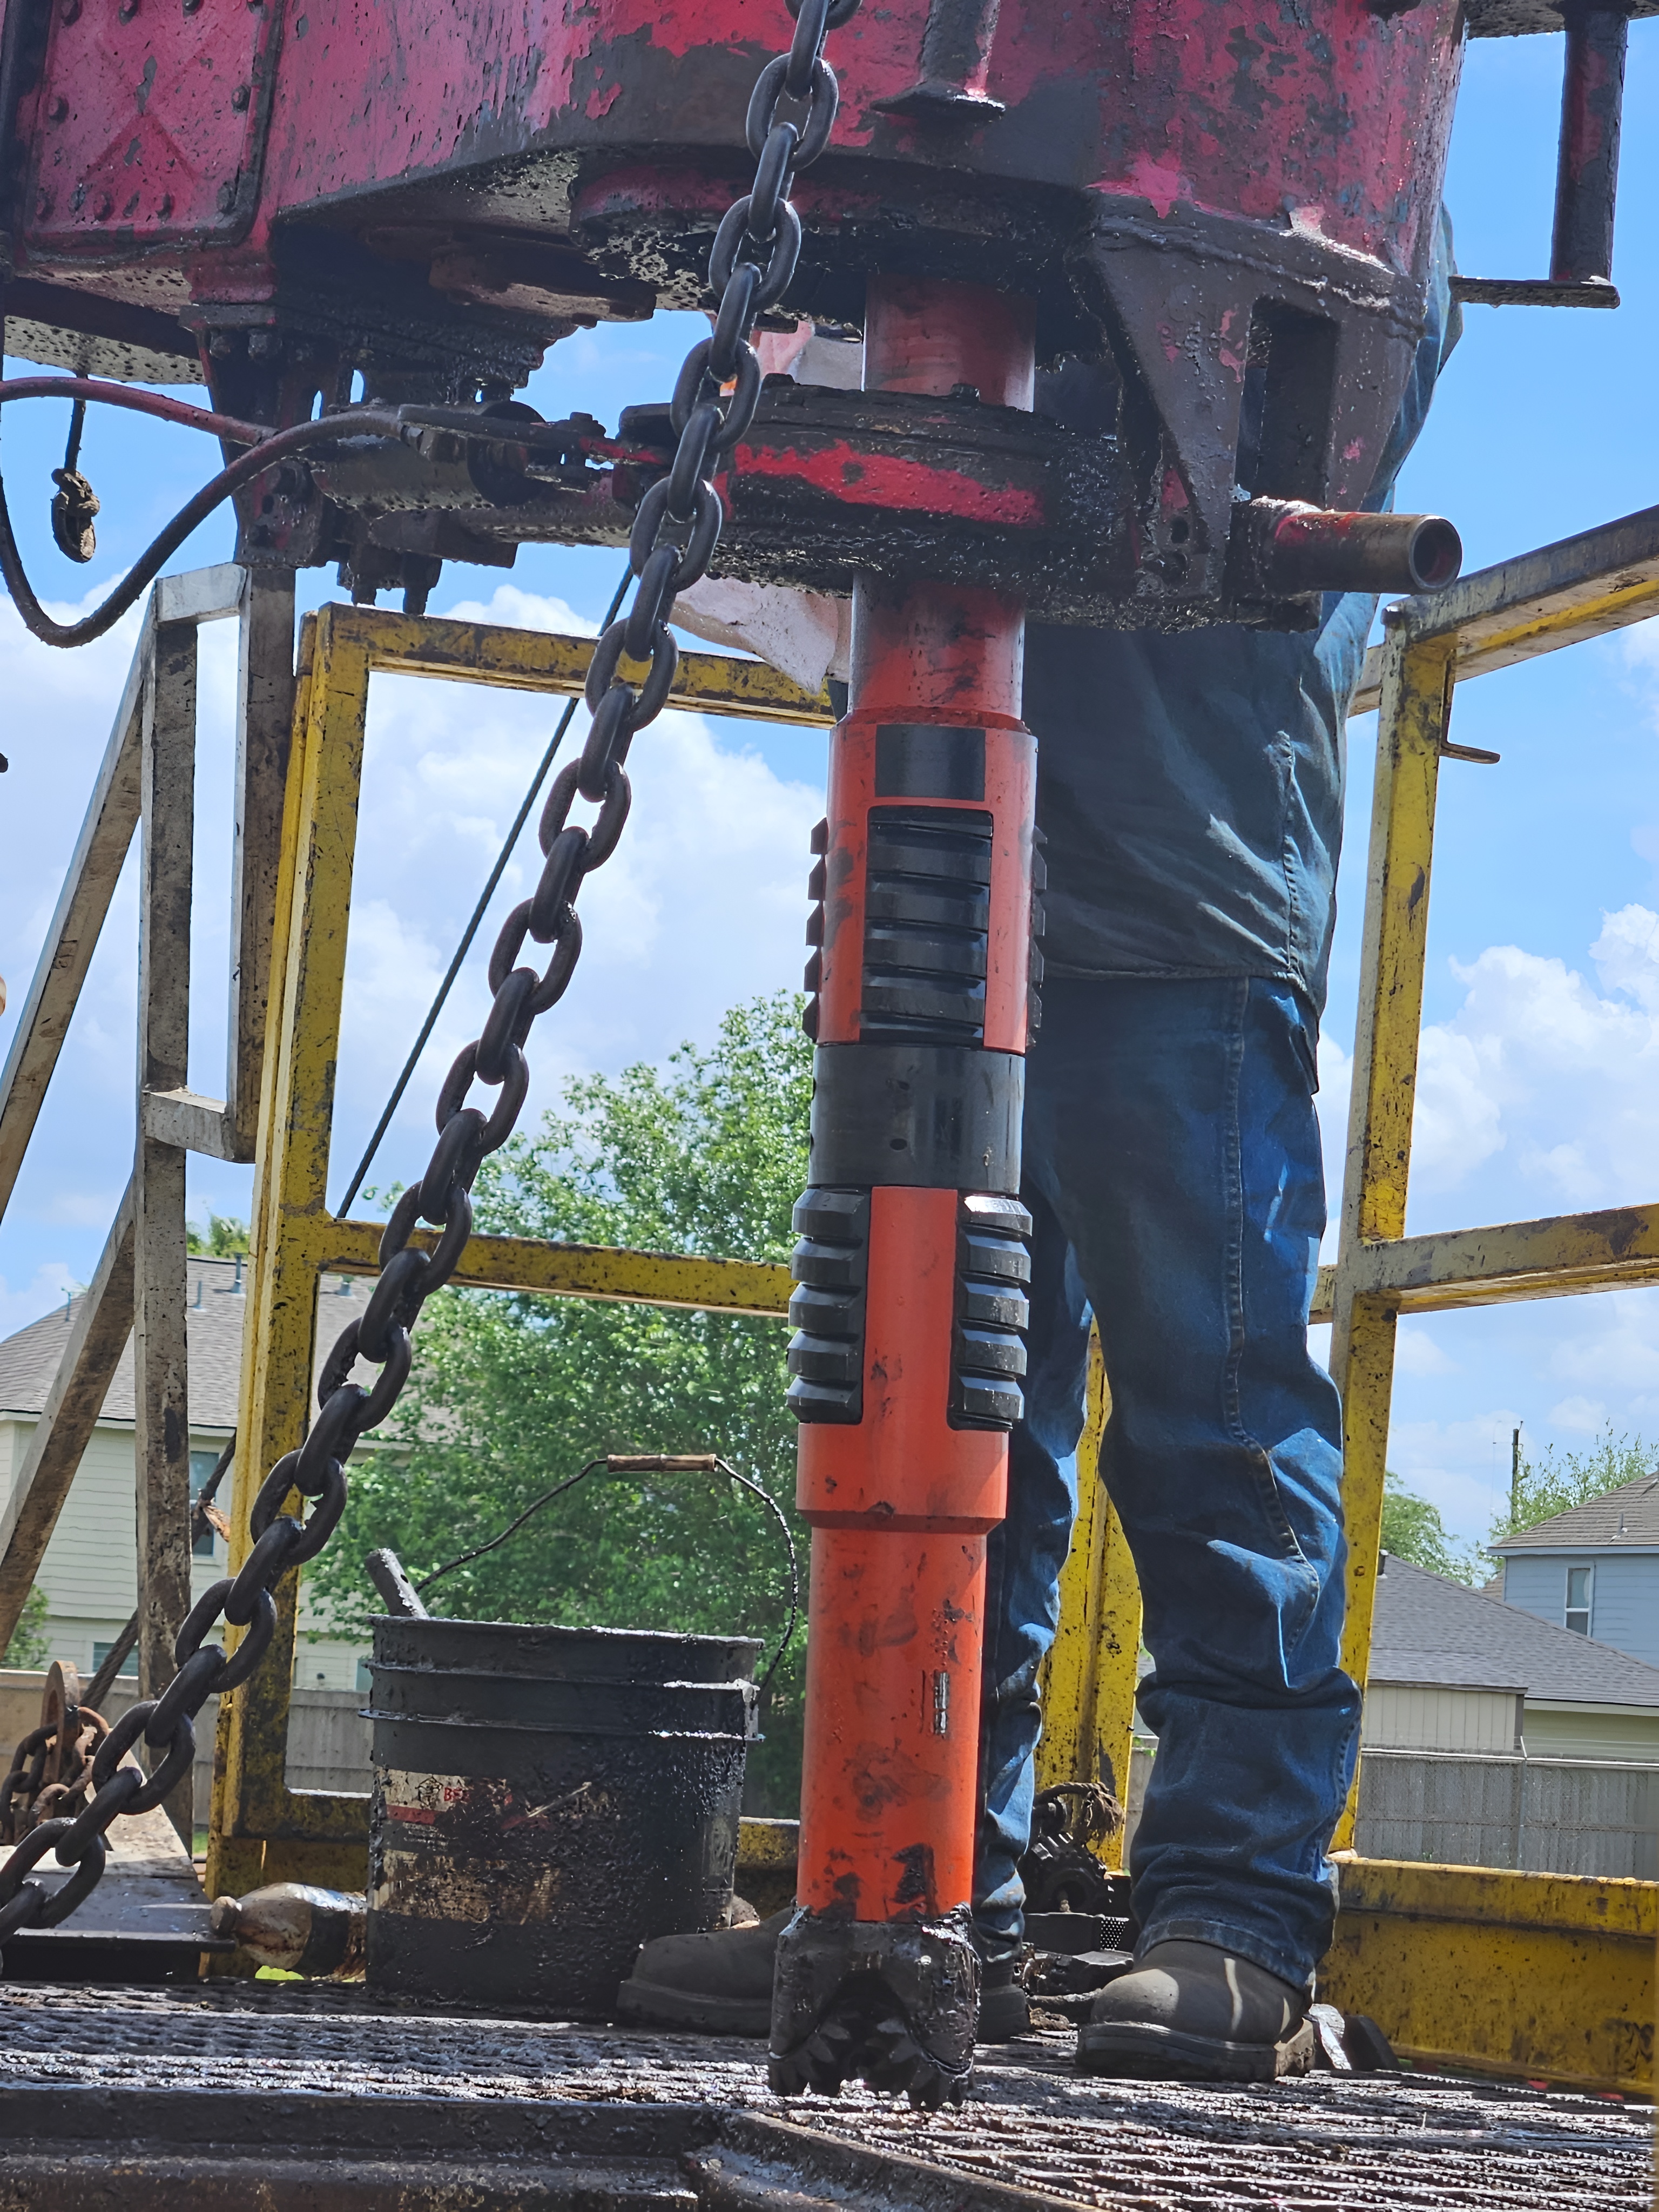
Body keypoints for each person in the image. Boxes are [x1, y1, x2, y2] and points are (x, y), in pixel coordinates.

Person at [617, 214, 1460, 2080]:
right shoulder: (958, 201)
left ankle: (1237, 1921)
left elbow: (1323, 400)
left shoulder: (1297, 185)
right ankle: (924, 1887)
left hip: (1179, 923)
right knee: (947, 1414)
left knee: (1217, 1421)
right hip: (948, 910)